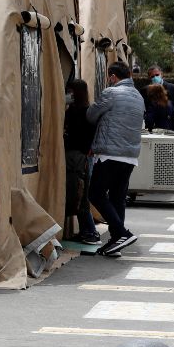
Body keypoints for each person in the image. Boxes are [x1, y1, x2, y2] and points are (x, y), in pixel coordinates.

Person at [87, 61, 145, 256]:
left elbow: (91, 115)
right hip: (130, 156)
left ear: (112, 76)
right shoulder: (138, 96)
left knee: (95, 193)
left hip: (109, 153)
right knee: (117, 198)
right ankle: (115, 243)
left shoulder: (111, 93)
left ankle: (122, 233)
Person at [64, 79, 100, 245]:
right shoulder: (86, 110)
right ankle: (87, 231)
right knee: (80, 194)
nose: (67, 95)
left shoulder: (80, 112)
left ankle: (91, 232)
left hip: (78, 158)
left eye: (70, 92)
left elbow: (77, 136)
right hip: (84, 157)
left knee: (79, 195)